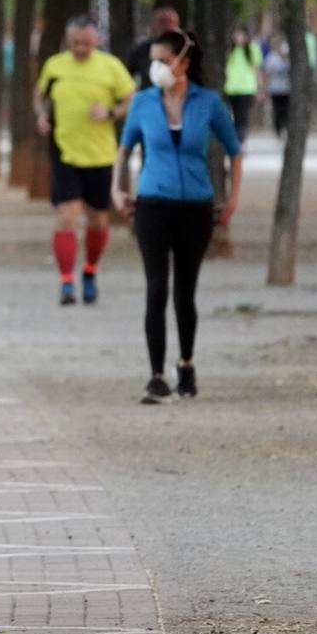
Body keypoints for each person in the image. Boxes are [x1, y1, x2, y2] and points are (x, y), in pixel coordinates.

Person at [113, 29, 242, 404]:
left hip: (196, 206)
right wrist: (116, 188)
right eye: (152, 60)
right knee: (156, 289)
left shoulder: (208, 103)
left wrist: (231, 198)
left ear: (184, 62)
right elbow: (124, 149)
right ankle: (155, 375)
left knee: (185, 292)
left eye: (163, 60)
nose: (155, 68)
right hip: (152, 203)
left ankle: (186, 364)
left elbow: (234, 149)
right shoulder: (143, 102)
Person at [35, 16, 135, 306]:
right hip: (65, 151)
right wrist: (42, 115)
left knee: (97, 219)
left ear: (97, 40)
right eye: (75, 42)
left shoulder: (110, 67)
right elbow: (40, 96)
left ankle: (90, 271)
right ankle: (66, 281)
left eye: (86, 43)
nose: (80, 48)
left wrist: (110, 112)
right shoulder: (55, 65)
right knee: (67, 216)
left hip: (100, 155)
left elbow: (131, 99)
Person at [222, 26, 263, 143]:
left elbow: (257, 69)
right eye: (236, 34)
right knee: (229, 115)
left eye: (240, 35)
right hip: (230, 87)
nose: (238, 37)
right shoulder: (229, 49)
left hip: (246, 88)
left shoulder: (252, 49)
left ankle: (240, 140)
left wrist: (260, 88)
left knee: (241, 116)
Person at [125, 7, 180, 91]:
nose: (167, 26)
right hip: (148, 99)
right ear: (153, 24)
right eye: (163, 22)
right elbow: (126, 78)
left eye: (171, 22)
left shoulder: (186, 50)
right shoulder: (141, 50)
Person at [263, 37, 292, 137]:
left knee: (287, 110)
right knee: (277, 110)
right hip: (275, 90)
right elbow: (267, 73)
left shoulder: (292, 59)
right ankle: (278, 129)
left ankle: (286, 128)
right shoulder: (272, 58)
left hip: (288, 90)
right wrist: (265, 87)